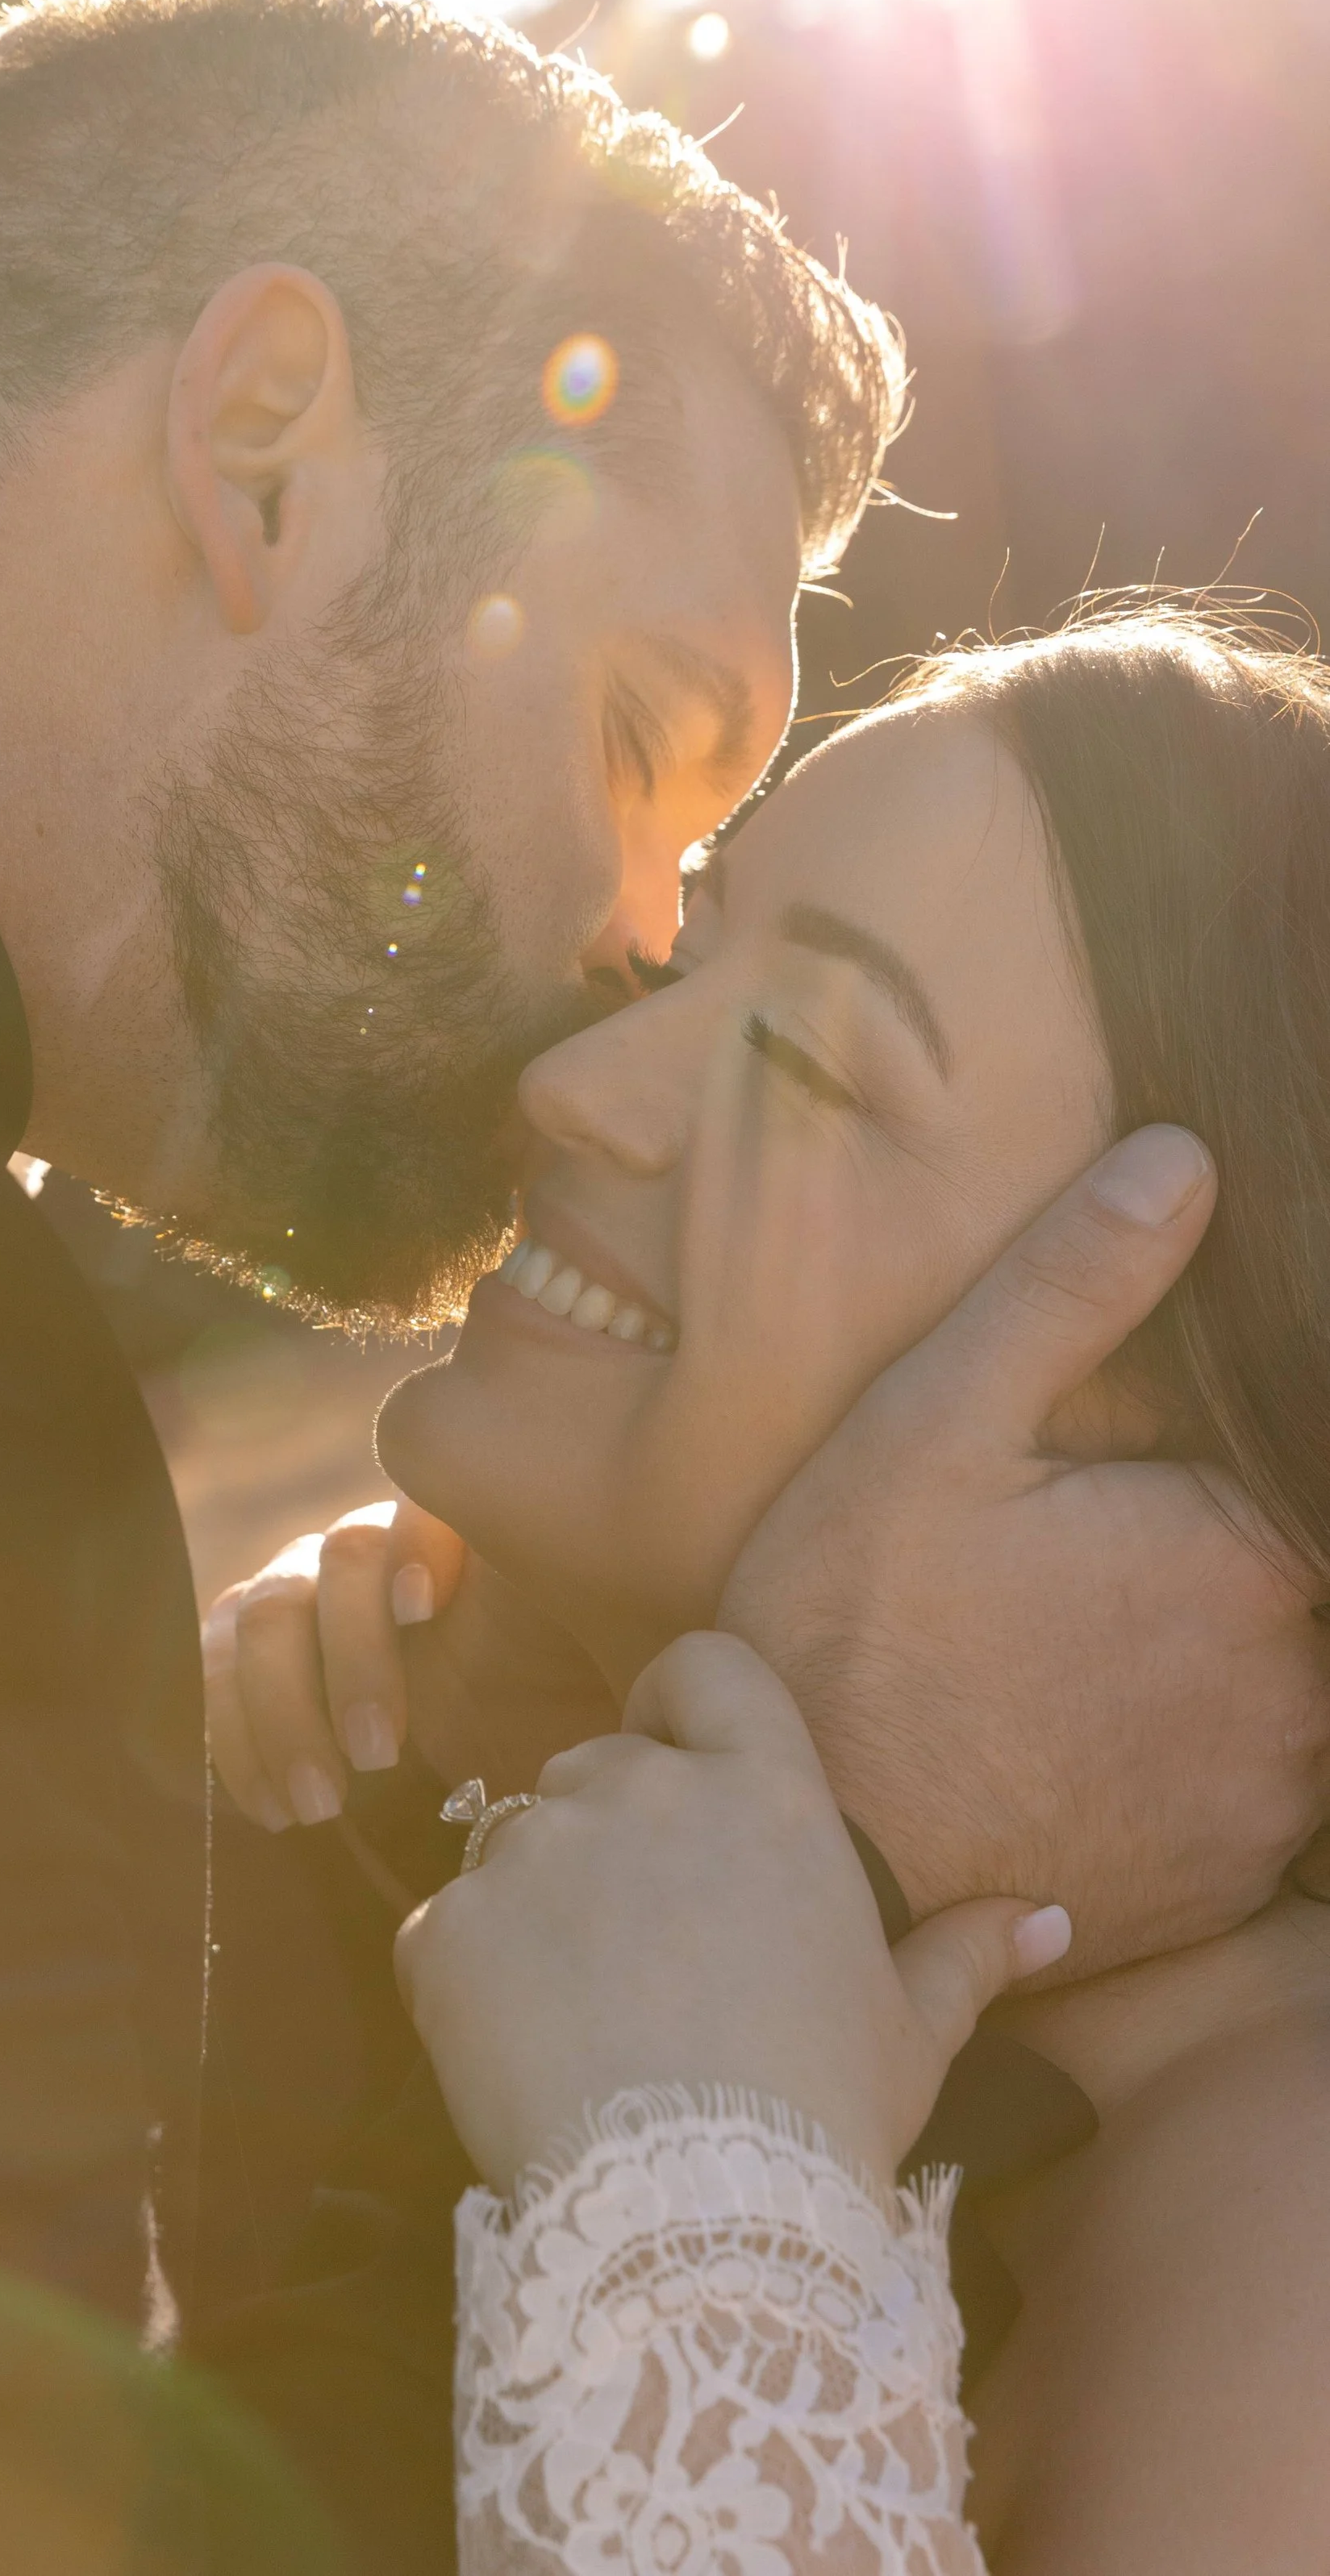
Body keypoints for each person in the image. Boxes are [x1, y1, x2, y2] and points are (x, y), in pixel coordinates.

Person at [0, 0, 1316, 2557]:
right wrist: (747, 1964)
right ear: (262, 448)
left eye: (787, 1027)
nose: (609, 989)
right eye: (636, 743)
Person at [213, 604, 1330, 2566]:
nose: (576, 1086)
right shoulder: (419, 1780)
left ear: (1165, 1418)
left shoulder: (1272, 2277)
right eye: (684, 952)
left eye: (806, 1069)